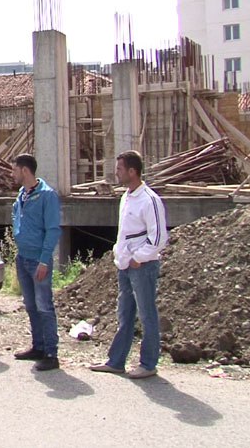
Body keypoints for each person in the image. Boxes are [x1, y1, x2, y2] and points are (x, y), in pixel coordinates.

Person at [90, 150, 168, 379]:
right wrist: (120, 255)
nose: (116, 173)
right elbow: (126, 233)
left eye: (120, 169)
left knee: (146, 315)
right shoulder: (126, 197)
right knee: (124, 314)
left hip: (141, 267)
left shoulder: (150, 200)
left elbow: (159, 238)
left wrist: (138, 258)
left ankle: (148, 363)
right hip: (125, 266)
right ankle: (116, 361)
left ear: (132, 171)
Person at [11, 153, 62, 371]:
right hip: (23, 257)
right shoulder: (22, 194)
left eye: (14, 170)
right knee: (31, 305)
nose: (12, 174)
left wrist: (44, 260)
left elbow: (52, 229)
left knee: (44, 306)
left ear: (24, 170)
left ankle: (51, 352)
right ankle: (38, 346)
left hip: (38, 260)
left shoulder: (46, 195)